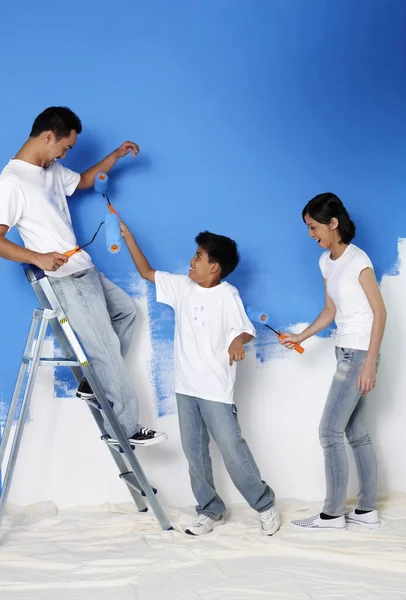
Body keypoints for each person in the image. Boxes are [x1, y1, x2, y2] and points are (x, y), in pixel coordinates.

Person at [0, 106, 166, 447]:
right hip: (65, 279)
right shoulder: (12, 183)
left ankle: (93, 382)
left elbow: (86, 181)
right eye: (65, 147)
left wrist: (116, 155)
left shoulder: (51, 168)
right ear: (49, 137)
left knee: (126, 312)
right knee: (103, 347)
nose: (66, 153)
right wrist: (37, 257)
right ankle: (126, 429)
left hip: (84, 267)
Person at [118, 221, 281, 536]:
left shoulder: (227, 295)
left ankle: (264, 504)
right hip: (185, 387)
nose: (191, 262)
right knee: (195, 453)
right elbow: (146, 273)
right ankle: (209, 510)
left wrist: (237, 342)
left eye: (198, 257)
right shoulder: (181, 286)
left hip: (215, 388)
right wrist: (129, 238)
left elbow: (245, 329)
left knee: (232, 448)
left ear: (215, 267)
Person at [280, 192, 386, 530]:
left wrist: (370, 362)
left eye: (314, 227)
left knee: (329, 431)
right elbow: (330, 311)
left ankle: (332, 513)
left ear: (333, 223)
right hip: (345, 350)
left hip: (359, 353)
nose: (312, 235)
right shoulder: (327, 262)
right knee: (356, 433)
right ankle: (367, 510)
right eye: (309, 229)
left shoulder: (358, 260)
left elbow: (380, 313)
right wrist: (301, 337)